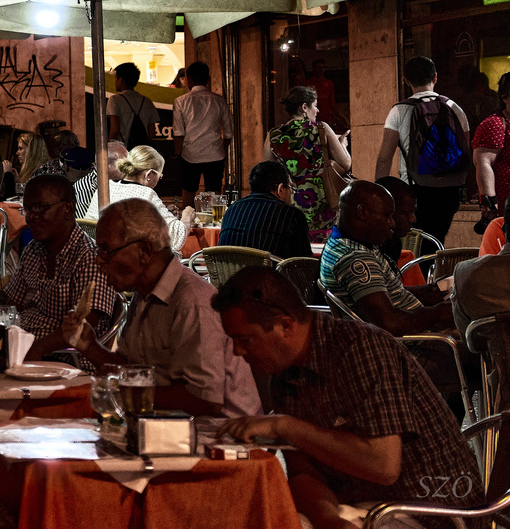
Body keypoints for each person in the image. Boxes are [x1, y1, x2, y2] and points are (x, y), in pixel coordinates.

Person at [214, 267, 482, 526]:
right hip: (364, 507)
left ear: (285, 326)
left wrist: (285, 427)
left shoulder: (362, 349)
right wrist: (329, 520)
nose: (237, 352)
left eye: (245, 339)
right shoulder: (284, 374)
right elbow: (304, 473)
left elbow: (384, 466)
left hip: (432, 511)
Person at [62, 198, 260, 416]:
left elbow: (203, 399)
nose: (99, 261)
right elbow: (131, 369)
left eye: (106, 251)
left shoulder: (192, 301)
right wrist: (90, 346)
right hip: (166, 425)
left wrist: (121, 392)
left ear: (145, 251)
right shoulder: (144, 293)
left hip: (221, 435)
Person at [3, 175, 118, 361]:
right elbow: (11, 305)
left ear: (68, 208)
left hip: (66, 361)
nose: (31, 217)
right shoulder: (34, 249)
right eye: (28, 210)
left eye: (40, 208)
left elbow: (83, 326)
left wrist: (36, 349)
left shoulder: (89, 257)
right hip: (23, 353)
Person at [320, 180, 451, 336]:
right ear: (362, 212)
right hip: (410, 347)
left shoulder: (349, 245)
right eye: (387, 216)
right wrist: (440, 313)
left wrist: (431, 292)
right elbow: (390, 324)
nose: (392, 223)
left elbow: (384, 296)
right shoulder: (357, 260)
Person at [375, 55, 471, 246]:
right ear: (435, 77)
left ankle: (418, 274)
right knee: (437, 240)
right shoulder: (454, 108)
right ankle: (432, 274)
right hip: (450, 191)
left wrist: (380, 193)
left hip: (415, 190)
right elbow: (465, 150)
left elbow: (385, 158)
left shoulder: (400, 111)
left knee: (416, 243)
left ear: (406, 80)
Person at [269, 85, 352, 243]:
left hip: (288, 204)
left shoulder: (273, 134)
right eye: (315, 105)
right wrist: (342, 144)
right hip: (321, 203)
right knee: (321, 253)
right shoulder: (321, 128)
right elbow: (346, 163)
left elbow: (267, 170)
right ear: (304, 107)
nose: (318, 110)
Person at [84, 145, 191, 252]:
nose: (159, 180)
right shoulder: (146, 194)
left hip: (99, 254)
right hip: (129, 260)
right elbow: (175, 238)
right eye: (160, 176)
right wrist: (187, 217)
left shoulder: (105, 188)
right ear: (149, 174)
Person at [217, 161, 313, 259]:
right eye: (290, 188)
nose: (291, 193)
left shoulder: (232, 209)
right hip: (270, 273)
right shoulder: (292, 214)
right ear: (280, 189)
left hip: (228, 274)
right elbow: (304, 261)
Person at [172, 60, 232, 207]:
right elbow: (228, 133)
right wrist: (222, 150)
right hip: (215, 154)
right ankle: (215, 225)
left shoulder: (180, 101)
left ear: (189, 80)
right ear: (208, 79)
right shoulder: (219, 100)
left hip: (189, 155)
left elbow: (178, 133)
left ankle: (188, 224)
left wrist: (178, 155)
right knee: (215, 193)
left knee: (188, 192)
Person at [472, 72, 510, 231]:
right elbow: (483, 162)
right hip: (505, 205)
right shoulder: (495, 123)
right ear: (504, 97)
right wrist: (489, 201)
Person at [106, 62, 158, 148]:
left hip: (123, 151)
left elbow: (115, 131)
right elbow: (152, 132)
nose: (115, 81)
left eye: (116, 78)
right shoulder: (147, 101)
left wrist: (112, 148)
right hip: (142, 152)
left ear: (121, 79)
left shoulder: (114, 100)